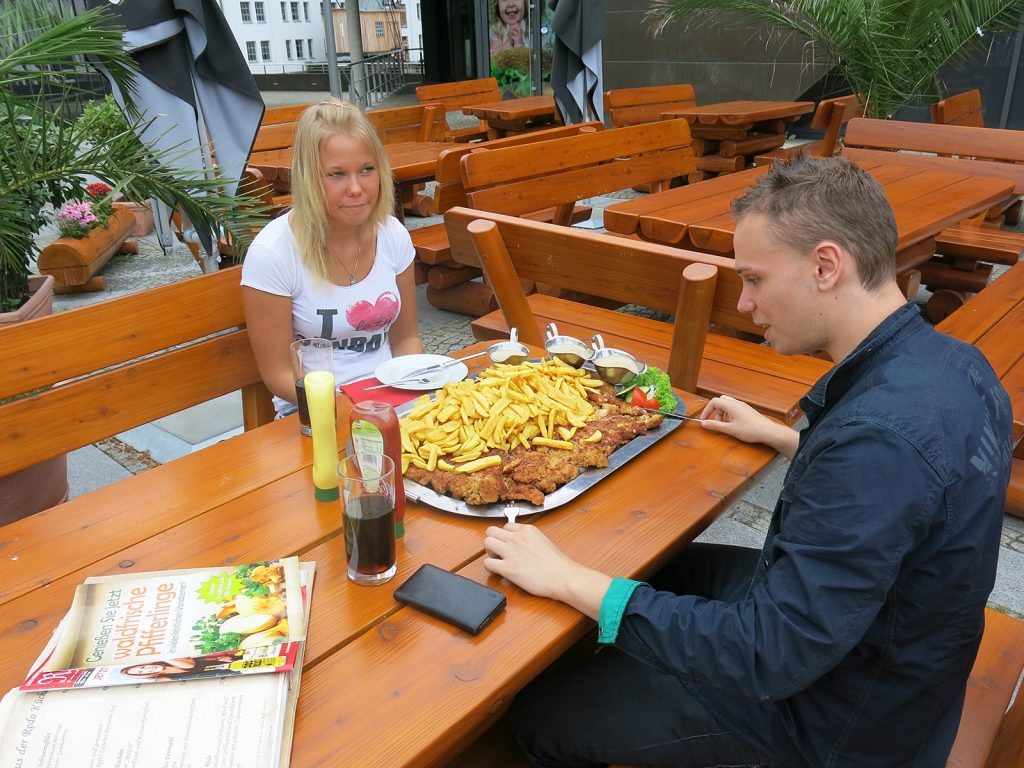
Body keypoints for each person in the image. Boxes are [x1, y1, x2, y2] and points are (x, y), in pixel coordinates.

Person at [482, 154, 1013, 767]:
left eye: (755, 278)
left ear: (825, 265)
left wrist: (572, 580)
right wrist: (788, 438)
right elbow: (913, 492)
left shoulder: (877, 443)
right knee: (666, 568)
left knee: (533, 714)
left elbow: (766, 656)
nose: (744, 304)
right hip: (898, 650)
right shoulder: (958, 366)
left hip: (840, 720)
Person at [241, 99, 423, 418]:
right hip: (313, 412)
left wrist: (417, 394)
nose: (356, 188)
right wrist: (349, 410)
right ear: (309, 177)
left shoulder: (392, 234)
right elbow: (278, 374)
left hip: (392, 401)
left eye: (367, 170)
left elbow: (406, 338)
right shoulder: (273, 253)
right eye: (336, 174)